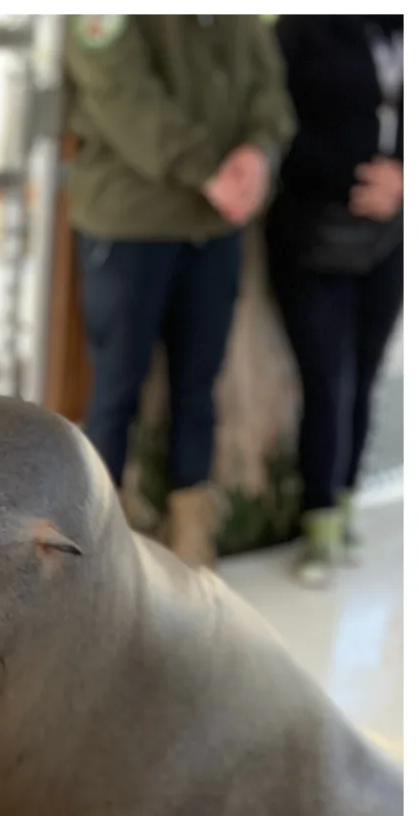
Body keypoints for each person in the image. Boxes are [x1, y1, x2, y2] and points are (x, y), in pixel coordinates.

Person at [63, 16, 295, 567]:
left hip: (214, 229)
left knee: (199, 386)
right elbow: (122, 94)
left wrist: (259, 155)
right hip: (129, 225)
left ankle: (193, 544)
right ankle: (92, 552)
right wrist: (207, 170)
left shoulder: (243, 21)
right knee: (116, 389)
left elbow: (271, 97)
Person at [266, 16, 402, 587]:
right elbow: (279, 127)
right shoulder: (299, 29)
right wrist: (360, 179)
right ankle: (318, 520)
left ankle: (345, 503)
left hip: (389, 236)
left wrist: (402, 181)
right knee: (327, 378)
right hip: (313, 230)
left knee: (367, 373)